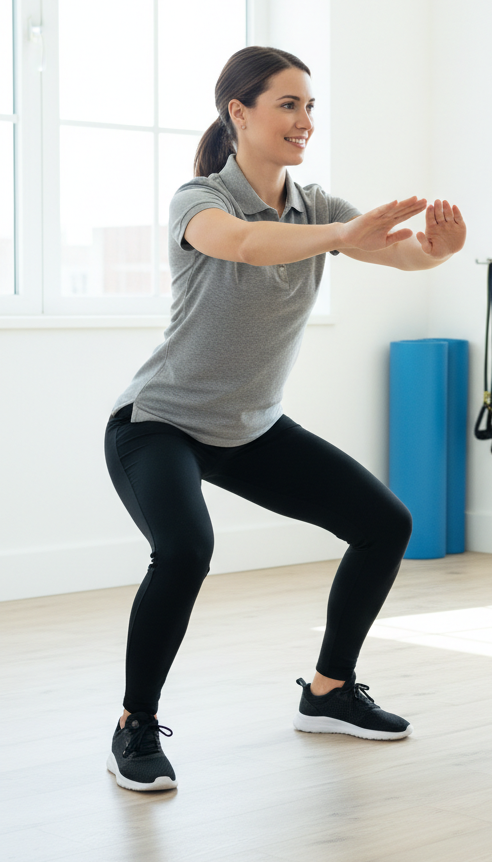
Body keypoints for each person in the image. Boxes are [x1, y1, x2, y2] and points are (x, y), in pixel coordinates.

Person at [104, 46, 465, 792]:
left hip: (250, 428)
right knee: (184, 548)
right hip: (159, 422)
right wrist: (342, 234)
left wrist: (436, 251)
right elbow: (242, 243)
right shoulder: (200, 199)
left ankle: (329, 692)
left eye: (310, 107)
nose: (305, 122)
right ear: (238, 113)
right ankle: (134, 724)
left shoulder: (316, 207)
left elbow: (398, 257)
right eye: (288, 105)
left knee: (384, 523)